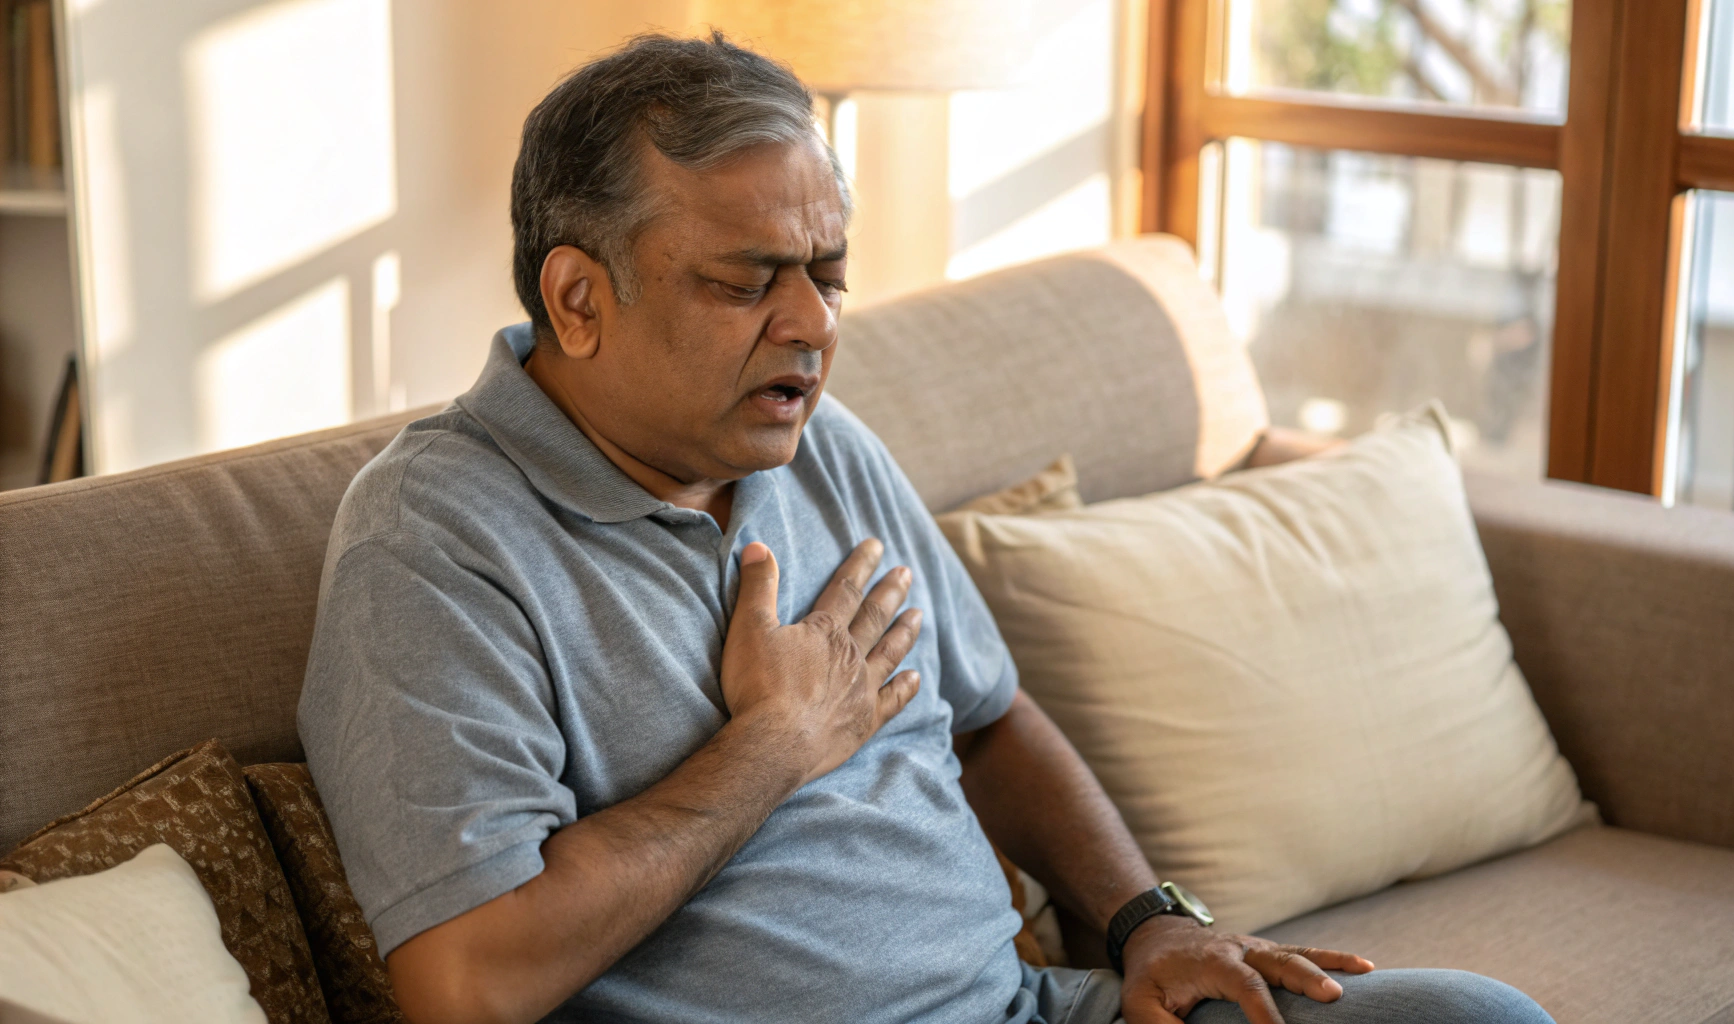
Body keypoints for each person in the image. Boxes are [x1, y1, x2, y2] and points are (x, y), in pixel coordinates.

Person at [297, 32, 1555, 1024]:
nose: (811, 326)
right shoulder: (431, 543)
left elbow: (990, 719)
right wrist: (773, 741)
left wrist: (1143, 923)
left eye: (827, 275)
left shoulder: (819, 444)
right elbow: (465, 983)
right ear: (578, 298)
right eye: (747, 280)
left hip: (1031, 1007)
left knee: (1476, 1016)